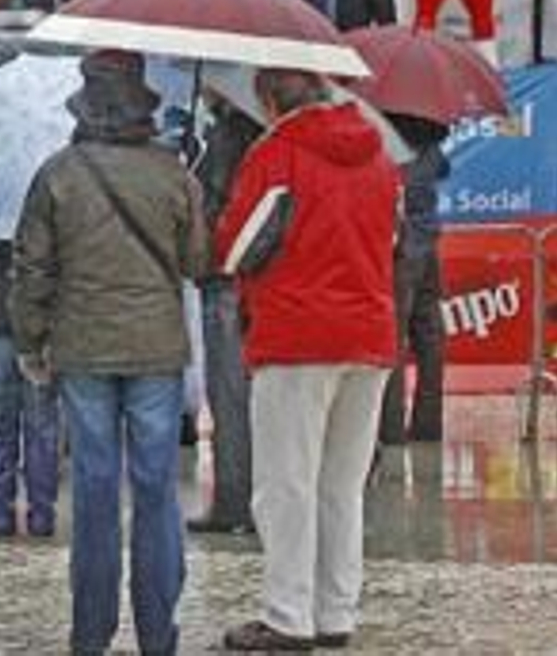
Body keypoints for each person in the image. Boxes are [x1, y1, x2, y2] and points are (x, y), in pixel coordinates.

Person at [10, 51, 208, 656]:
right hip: (155, 348)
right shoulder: (173, 172)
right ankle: (158, 633)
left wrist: (30, 341)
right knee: (156, 489)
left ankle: (90, 632)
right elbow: (197, 262)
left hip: (83, 348)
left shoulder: (57, 174)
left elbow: (32, 270)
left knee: (94, 489)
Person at [215, 69, 399, 651]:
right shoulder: (378, 155)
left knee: (286, 484)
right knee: (342, 487)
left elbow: (237, 248)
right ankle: (335, 613)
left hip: (296, 336)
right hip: (370, 333)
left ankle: (287, 616)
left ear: (270, 101)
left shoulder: (277, 153)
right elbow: (391, 239)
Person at [187, 97, 263, 536]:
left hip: (226, 278)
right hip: (266, 282)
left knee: (230, 395)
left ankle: (234, 502)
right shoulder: (273, 135)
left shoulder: (228, 137)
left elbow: (212, 208)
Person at [0, 238, 60, 539]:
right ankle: (42, 514)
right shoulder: (47, 209)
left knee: (1, 417)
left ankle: (1, 511)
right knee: (42, 421)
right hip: (40, 321)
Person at [378, 114, 449, 445]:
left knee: (393, 340)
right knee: (430, 337)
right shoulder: (431, 138)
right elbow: (442, 169)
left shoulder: (385, 140)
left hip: (400, 249)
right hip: (429, 244)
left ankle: (391, 428)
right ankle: (428, 425)